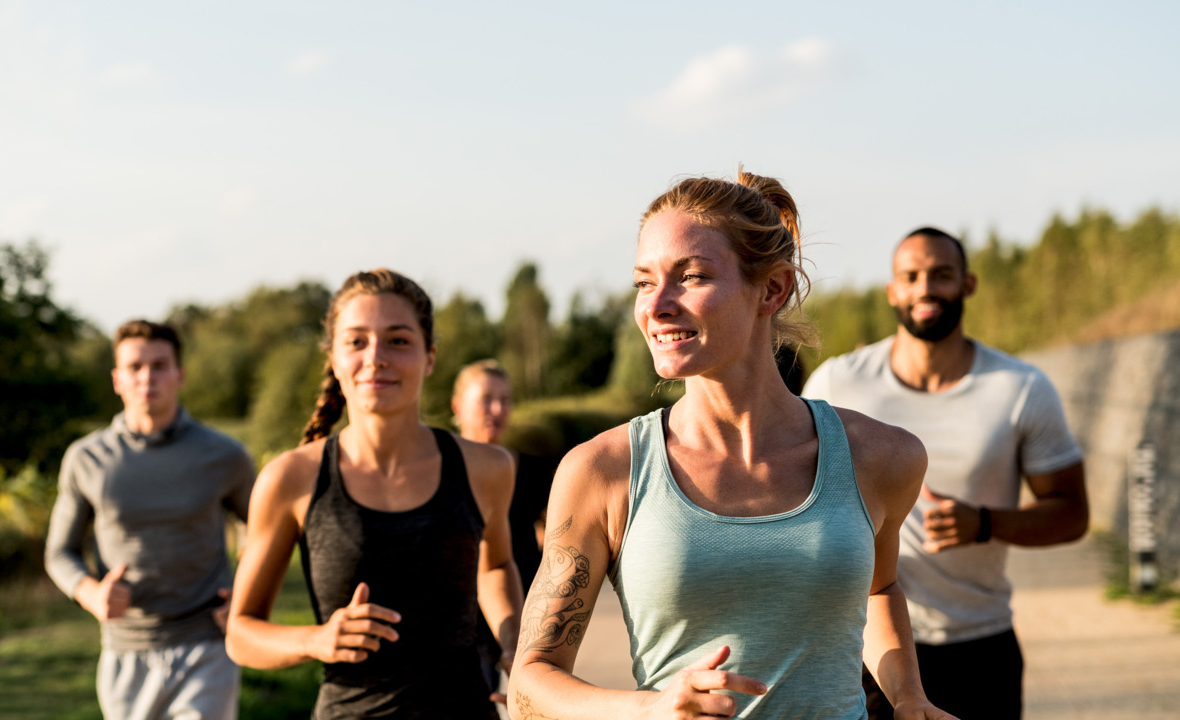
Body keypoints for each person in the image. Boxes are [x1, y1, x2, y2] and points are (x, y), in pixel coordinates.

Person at [507, 170, 956, 719]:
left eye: (690, 277)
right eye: (644, 283)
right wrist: (649, 711)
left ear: (772, 289)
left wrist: (908, 697)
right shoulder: (603, 471)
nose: (657, 305)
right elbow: (529, 686)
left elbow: (878, 588)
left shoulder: (881, 458)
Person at [804, 226, 1089, 719]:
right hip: (865, 650)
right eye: (910, 276)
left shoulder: (1021, 388)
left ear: (968, 284)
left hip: (978, 648)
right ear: (893, 291)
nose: (925, 288)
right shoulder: (837, 382)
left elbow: (1072, 514)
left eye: (941, 275)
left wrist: (983, 523)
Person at [225, 269, 524, 719]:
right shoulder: (291, 478)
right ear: (334, 359)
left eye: (398, 340)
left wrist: (515, 643)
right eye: (357, 341)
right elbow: (241, 634)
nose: (376, 357)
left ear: (430, 357)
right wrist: (316, 639)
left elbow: (495, 566)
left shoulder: (487, 468)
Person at [45, 319, 256, 720]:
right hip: (125, 649)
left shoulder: (224, 455)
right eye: (135, 367)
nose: (147, 377)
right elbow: (59, 552)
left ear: (180, 374)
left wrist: (248, 596)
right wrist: (90, 593)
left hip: (207, 643)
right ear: (116, 379)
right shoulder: (86, 459)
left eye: (160, 365)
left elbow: (266, 533)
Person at [450, 359, 557, 691]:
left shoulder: (531, 470)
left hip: (519, 617)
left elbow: (558, 532)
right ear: (457, 406)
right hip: (458, 623)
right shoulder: (438, 470)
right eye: (486, 399)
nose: (497, 409)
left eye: (505, 400)